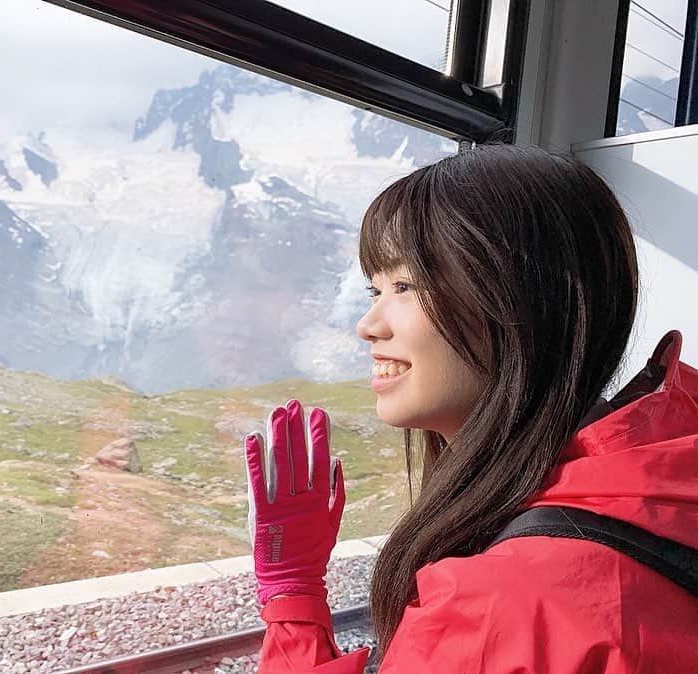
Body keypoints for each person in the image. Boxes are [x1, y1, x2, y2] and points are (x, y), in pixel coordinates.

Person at [243, 143, 698, 673]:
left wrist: (291, 596)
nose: (368, 325)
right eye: (375, 289)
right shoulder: (662, 470)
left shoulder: (503, 605)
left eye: (405, 285)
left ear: (518, 300)